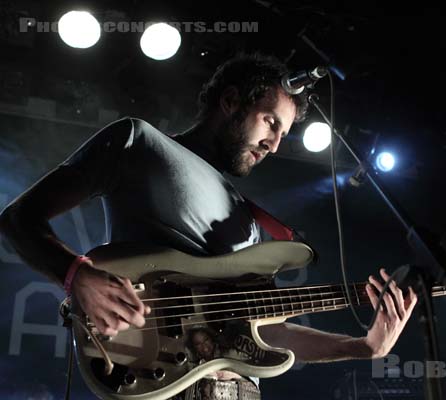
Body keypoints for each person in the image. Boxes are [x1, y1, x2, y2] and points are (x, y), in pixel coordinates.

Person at [0, 52, 417, 399]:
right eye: (271, 121)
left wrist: (363, 347)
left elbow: (267, 329)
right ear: (231, 101)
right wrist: (76, 275)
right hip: (161, 381)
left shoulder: (250, 220)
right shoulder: (140, 143)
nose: (274, 144)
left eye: (284, 134)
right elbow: (19, 219)